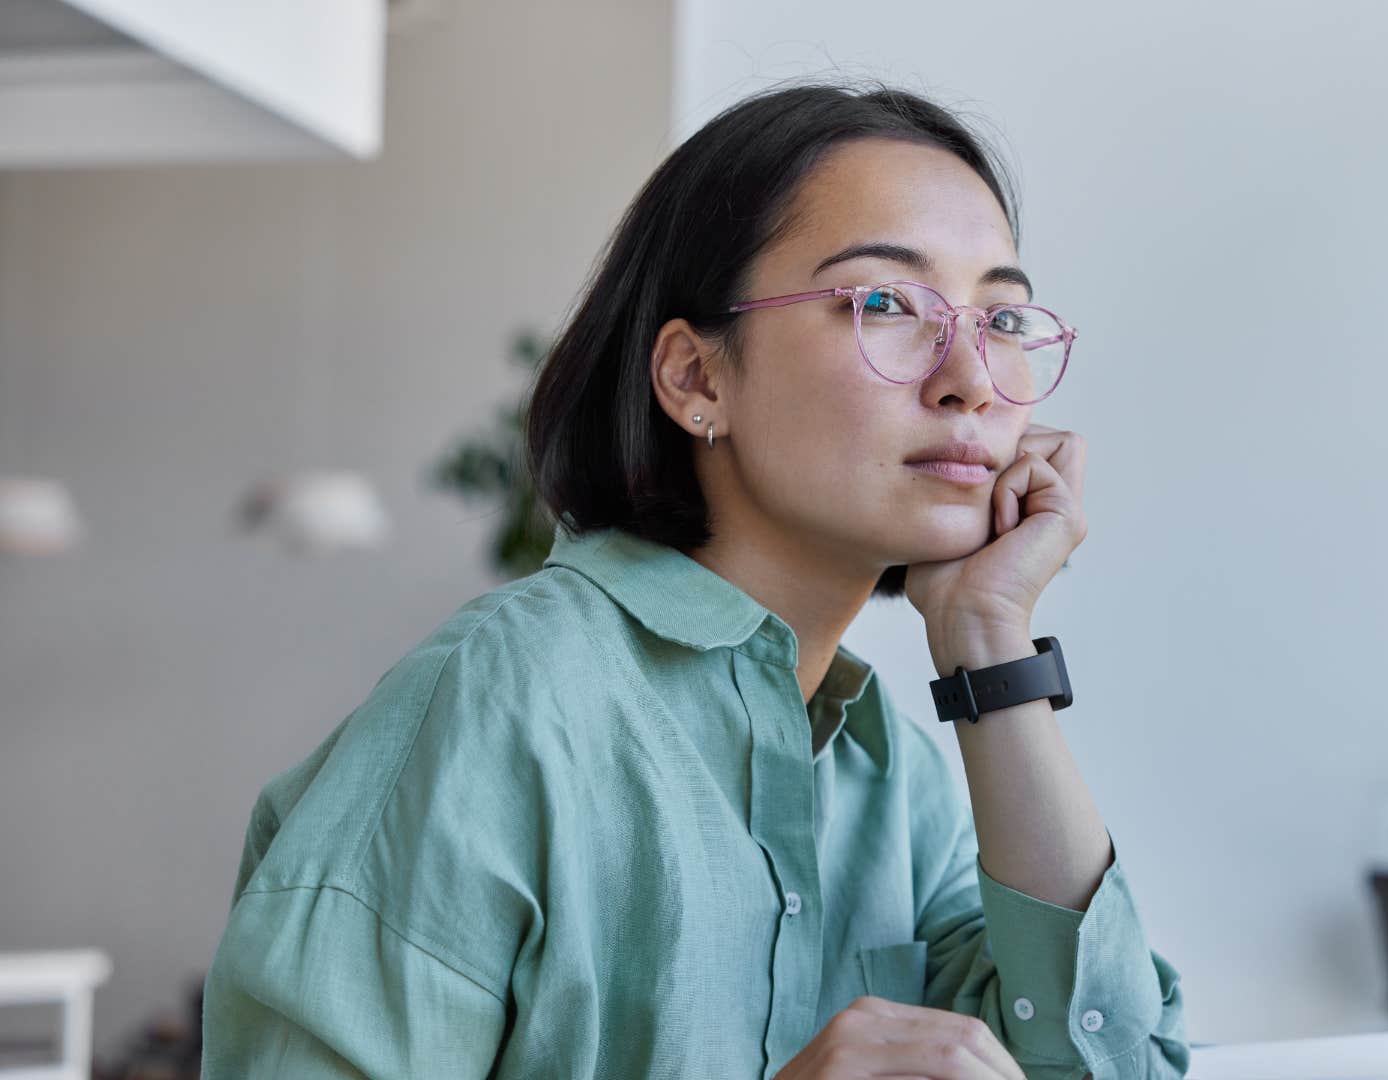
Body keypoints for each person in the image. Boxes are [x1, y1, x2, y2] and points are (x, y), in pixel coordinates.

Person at [199, 77, 1190, 1080]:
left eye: (1005, 321)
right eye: (886, 302)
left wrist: (990, 644)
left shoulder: (893, 778)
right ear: (696, 379)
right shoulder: (503, 704)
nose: (971, 378)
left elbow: (1116, 1067)